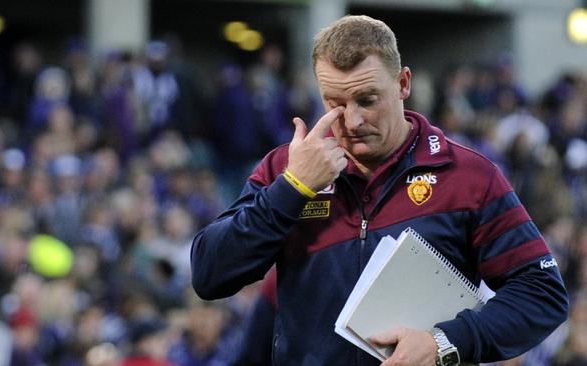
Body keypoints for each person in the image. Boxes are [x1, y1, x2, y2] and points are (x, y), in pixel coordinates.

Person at [191, 15, 568, 366]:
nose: (352, 121)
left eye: (367, 100)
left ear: (403, 83)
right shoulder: (285, 169)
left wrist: (444, 343)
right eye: (334, 103)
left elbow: (542, 294)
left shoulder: (468, 176)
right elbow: (210, 274)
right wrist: (293, 188)